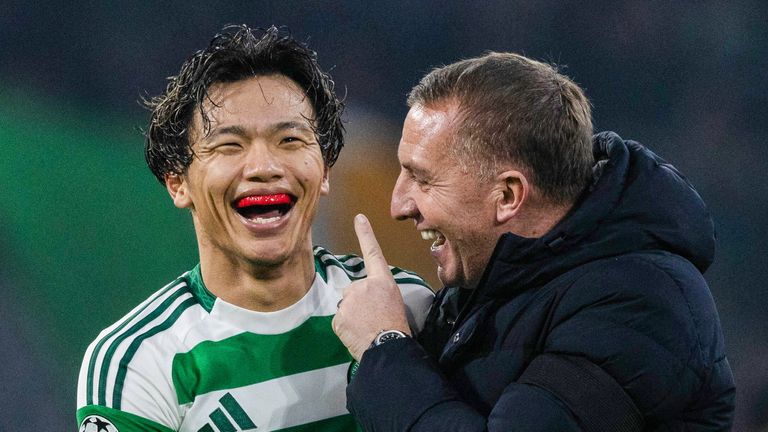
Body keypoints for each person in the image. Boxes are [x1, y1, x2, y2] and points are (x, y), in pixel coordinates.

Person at [333, 52, 735, 431]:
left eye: (422, 179)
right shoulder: (498, 281)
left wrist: (384, 346)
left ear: (508, 196)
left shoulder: (640, 305)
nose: (398, 205)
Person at [76, 25, 433, 432]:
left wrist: (387, 347)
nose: (264, 167)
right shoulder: (135, 362)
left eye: (290, 140)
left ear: (326, 169)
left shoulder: (405, 308)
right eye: (229, 145)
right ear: (178, 182)